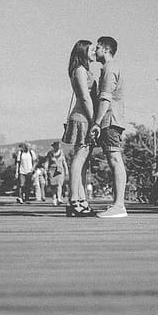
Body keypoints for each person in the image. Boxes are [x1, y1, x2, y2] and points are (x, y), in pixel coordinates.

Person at [90, 36, 127, 219]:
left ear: (105, 49)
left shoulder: (110, 68)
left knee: (115, 159)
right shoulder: (110, 68)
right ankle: (117, 204)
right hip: (112, 119)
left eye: (97, 47)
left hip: (110, 120)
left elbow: (105, 98)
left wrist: (96, 122)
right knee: (114, 160)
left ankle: (119, 205)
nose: (94, 51)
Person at [62, 39, 98, 217]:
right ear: (83, 52)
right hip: (83, 118)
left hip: (82, 117)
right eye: (91, 49)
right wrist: (94, 122)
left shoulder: (81, 70)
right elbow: (85, 97)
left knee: (83, 161)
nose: (95, 52)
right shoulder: (81, 70)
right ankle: (73, 200)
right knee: (80, 157)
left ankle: (81, 201)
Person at [45, 141, 69, 206]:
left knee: (59, 185)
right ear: (54, 146)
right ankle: (54, 199)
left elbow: (64, 162)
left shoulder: (61, 153)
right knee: (53, 186)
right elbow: (47, 162)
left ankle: (59, 198)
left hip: (60, 170)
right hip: (52, 170)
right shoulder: (50, 153)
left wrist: (66, 170)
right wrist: (45, 169)